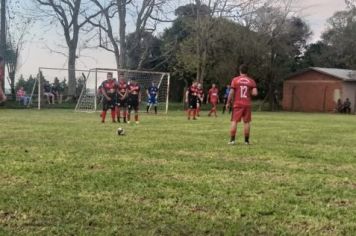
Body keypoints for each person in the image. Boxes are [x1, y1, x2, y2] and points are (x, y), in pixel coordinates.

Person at [226, 64, 258, 145]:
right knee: (246, 122)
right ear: (247, 72)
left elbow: (231, 92)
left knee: (234, 121)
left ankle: (232, 140)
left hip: (237, 104)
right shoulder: (251, 81)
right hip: (247, 104)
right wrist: (249, 91)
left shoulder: (235, 80)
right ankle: (246, 141)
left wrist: (228, 102)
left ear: (239, 71)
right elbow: (255, 93)